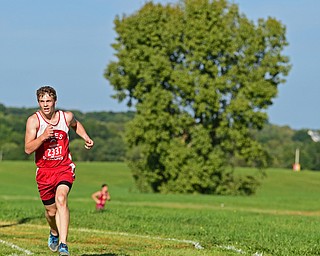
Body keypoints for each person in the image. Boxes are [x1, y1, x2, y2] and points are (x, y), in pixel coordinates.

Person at [24, 85, 94, 256]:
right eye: (42, 101)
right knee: (50, 212)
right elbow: (27, 148)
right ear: (38, 102)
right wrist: (42, 137)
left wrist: (85, 137)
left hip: (64, 168)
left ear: (55, 100)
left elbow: (76, 125)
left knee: (61, 199)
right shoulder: (34, 121)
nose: (45, 105)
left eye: (48, 101)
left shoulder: (66, 117)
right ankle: (54, 232)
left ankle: (63, 244)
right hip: (44, 171)